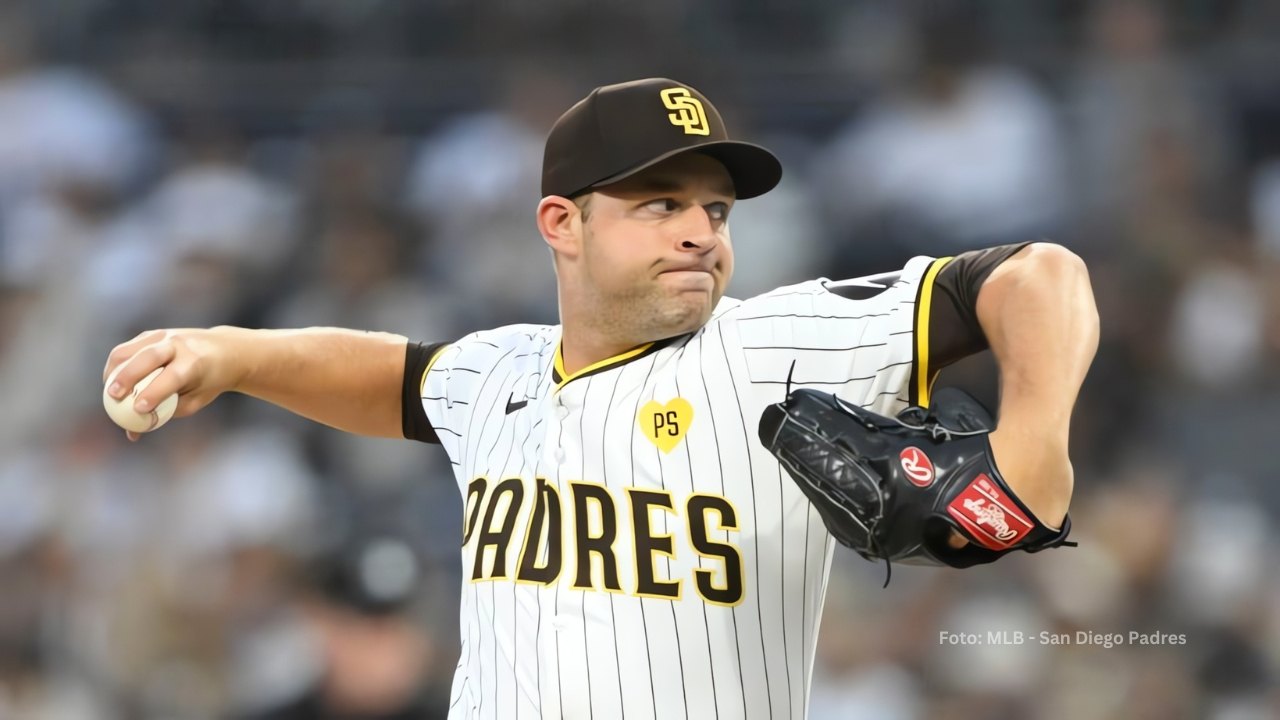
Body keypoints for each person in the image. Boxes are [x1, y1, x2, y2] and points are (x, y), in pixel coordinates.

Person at [103, 78, 1099, 719]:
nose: (699, 232)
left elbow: (1039, 277)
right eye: (659, 205)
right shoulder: (498, 373)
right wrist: (233, 353)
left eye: (712, 208)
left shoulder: (773, 341)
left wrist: (1030, 457)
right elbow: (396, 379)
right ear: (560, 223)